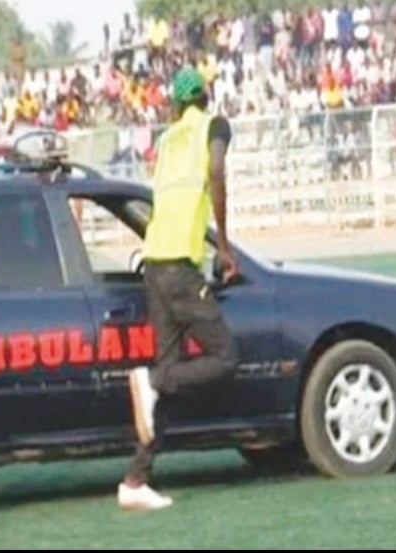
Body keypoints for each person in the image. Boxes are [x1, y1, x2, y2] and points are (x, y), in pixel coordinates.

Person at [117, 67, 239, 511]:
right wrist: (223, 244)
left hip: (154, 262)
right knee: (225, 356)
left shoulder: (167, 140)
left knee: (166, 381)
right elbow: (217, 170)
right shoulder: (214, 126)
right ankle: (149, 380)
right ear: (205, 97)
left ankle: (135, 479)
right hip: (181, 267)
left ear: (176, 102)